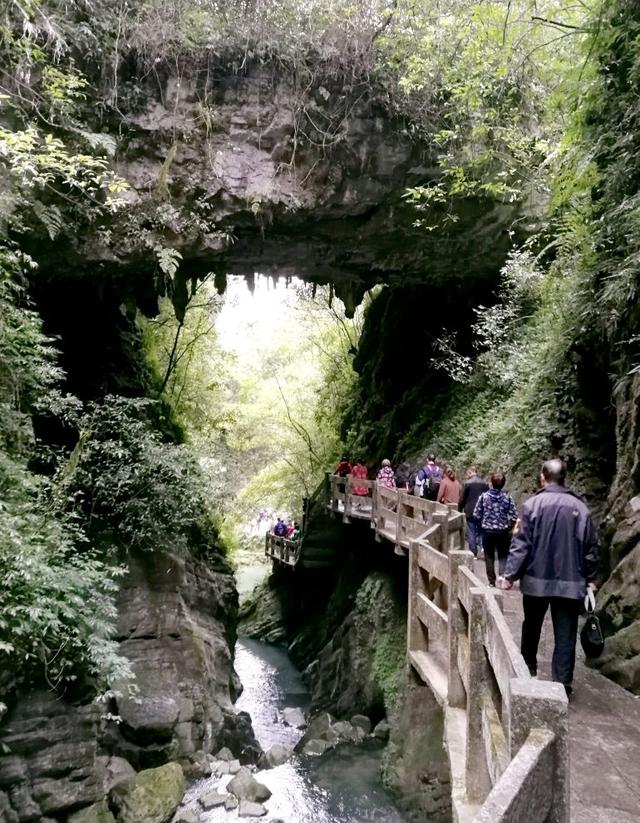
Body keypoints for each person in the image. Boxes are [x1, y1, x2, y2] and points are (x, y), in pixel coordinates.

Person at [498, 459, 598, 696]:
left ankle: (527, 670)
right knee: (566, 633)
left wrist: (509, 575)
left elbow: (520, 544)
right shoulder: (581, 509)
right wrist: (591, 579)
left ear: (543, 476)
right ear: (564, 477)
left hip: (536, 580)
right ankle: (562, 683)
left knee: (531, 626)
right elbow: (591, 548)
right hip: (571, 582)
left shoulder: (531, 506)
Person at [473, 471, 517, 586]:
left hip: (487, 531)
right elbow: (514, 515)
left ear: (491, 483)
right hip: (503, 531)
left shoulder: (484, 497)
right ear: (503, 484)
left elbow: (476, 514)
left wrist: (481, 526)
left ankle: (491, 582)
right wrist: (510, 527)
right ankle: (502, 577)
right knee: (503, 555)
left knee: (489, 555)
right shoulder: (507, 498)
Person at [459, 466, 489, 557]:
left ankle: (473, 552)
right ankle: (483, 548)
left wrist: (459, 509)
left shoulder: (467, 484)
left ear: (469, 472)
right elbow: (487, 497)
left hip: (470, 510)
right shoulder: (484, 483)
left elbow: (462, 499)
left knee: (471, 531)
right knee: (481, 530)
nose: (467, 476)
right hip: (481, 509)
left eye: (467, 474)